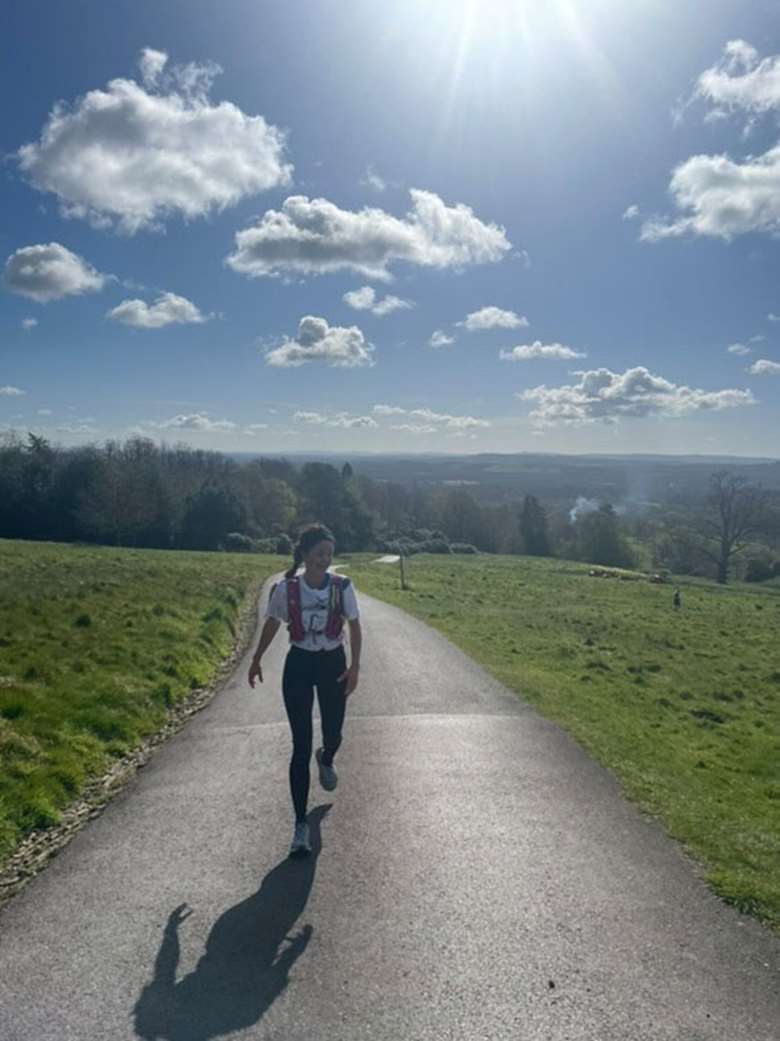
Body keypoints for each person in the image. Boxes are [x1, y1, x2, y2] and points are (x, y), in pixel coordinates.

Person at [248, 524, 361, 858]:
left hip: (332, 665)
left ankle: (326, 758)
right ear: (305, 555)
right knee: (300, 744)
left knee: (334, 733)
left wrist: (354, 667)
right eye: (318, 554)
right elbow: (271, 622)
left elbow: (355, 625)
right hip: (298, 665)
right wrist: (256, 660)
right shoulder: (287, 589)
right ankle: (300, 826)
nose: (324, 560)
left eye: (328, 554)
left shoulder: (342, 588)